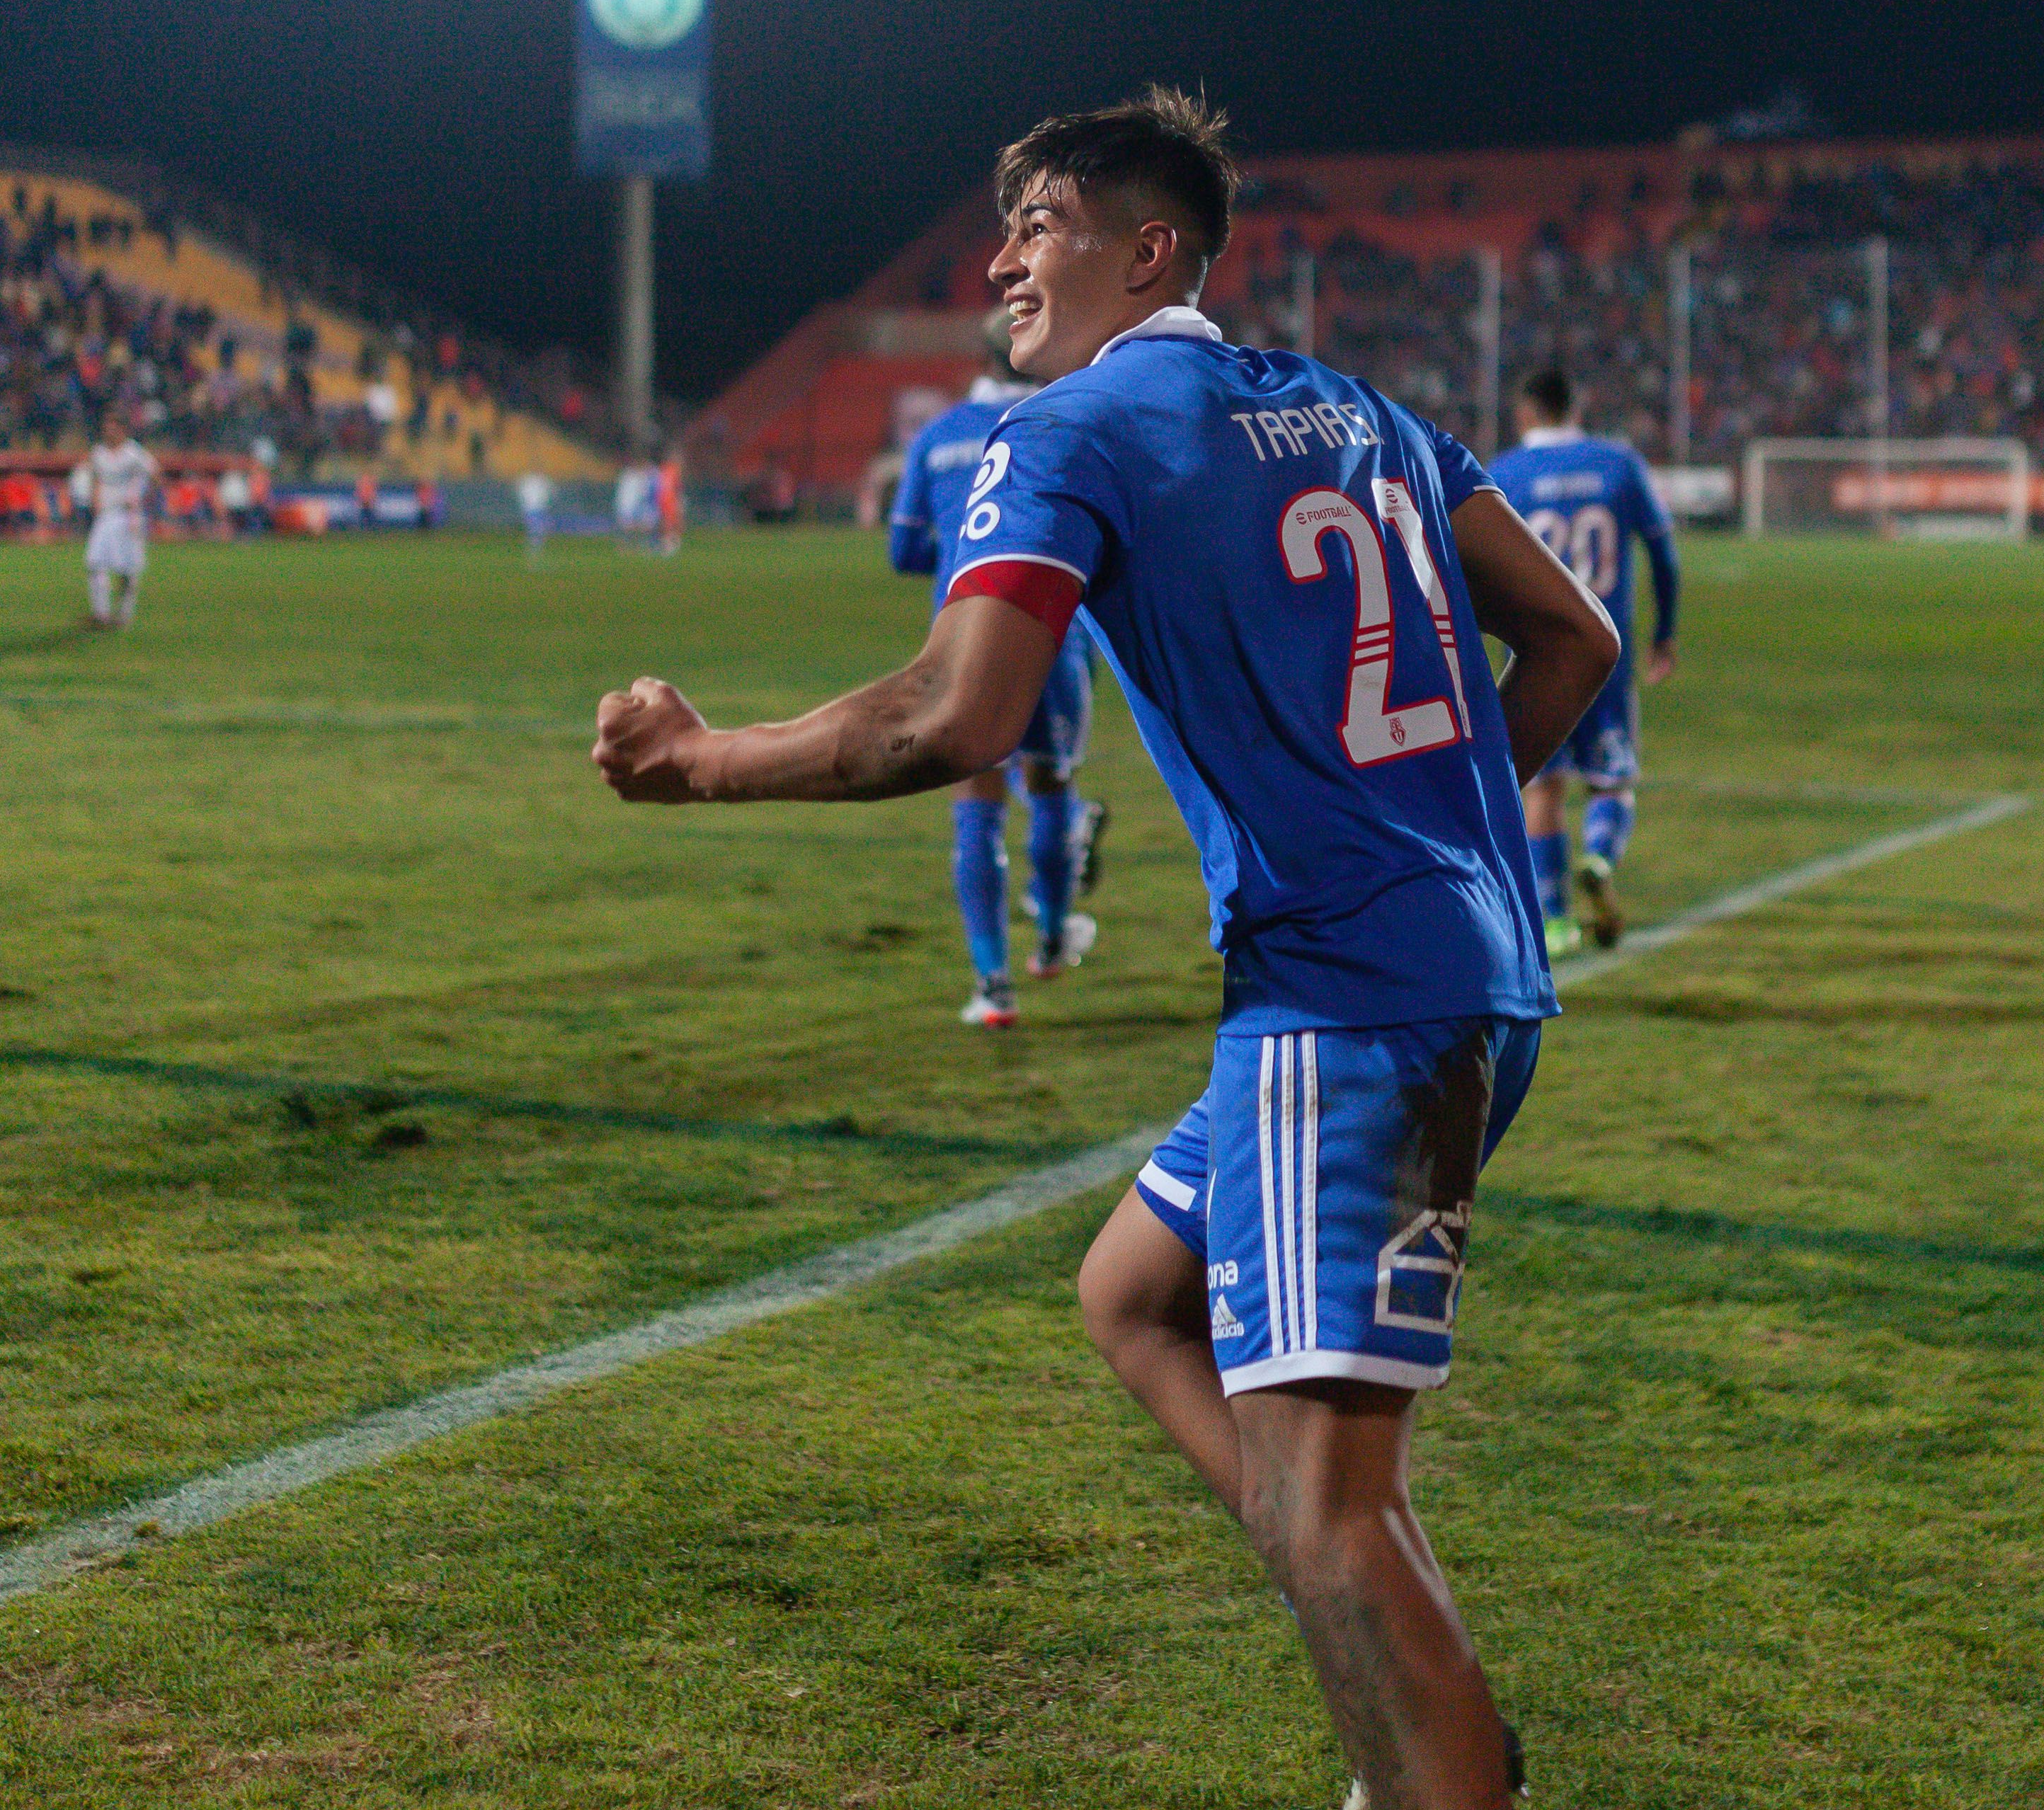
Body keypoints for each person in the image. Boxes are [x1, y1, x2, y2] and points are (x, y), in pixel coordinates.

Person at [592, 90, 1617, 1810]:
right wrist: (1423, 829)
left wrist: (701, 761)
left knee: (1330, 1504)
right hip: (1457, 971)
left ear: (1148, 252)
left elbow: (951, 714)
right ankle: (1413, 1700)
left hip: (1339, 1010)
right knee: (1134, 1293)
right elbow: (1573, 645)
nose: (1001, 258)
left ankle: (1441, 1759)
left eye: (1043, 223)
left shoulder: (1075, 426)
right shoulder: (1360, 412)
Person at [889, 309, 1108, 1026]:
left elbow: (903, 553)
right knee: (1051, 785)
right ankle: (1050, 938)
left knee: (975, 810)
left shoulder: (936, 435)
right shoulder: (1066, 421)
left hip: (962, 639)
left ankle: (992, 985)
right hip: (1054, 633)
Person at [1485, 368, 1683, 955]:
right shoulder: (1618, 464)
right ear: (1577, 407)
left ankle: (1553, 921)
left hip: (1529, 654)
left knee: (1541, 788)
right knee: (1611, 777)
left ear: (1524, 414)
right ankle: (1598, 857)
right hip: (1603, 651)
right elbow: (1663, 554)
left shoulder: (1501, 473)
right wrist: (1664, 635)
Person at [84, 408, 161, 629]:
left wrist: (141, 496)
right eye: (106, 425)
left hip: (129, 517)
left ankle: (124, 616)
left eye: (112, 425)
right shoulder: (98, 452)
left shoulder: (134, 454)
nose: (107, 430)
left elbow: (156, 475)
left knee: (128, 569)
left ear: (122, 429)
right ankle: (101, 614)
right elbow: (96, 478)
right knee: (94, 562)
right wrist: (95, 500)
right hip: (106, 516)